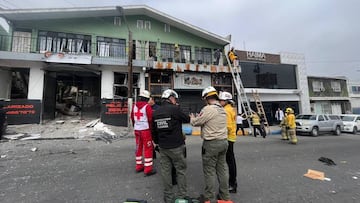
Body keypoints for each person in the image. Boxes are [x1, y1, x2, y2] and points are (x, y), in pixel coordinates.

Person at [190, 86, 231, 203]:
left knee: (209, 171)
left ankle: (208, 198)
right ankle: (225, 197)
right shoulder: (222, 109)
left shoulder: (208, 109)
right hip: (224, 142)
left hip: (211, 143)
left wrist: (192, 118)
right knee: (222, 169)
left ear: (207, 98)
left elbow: (196, 122)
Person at [152, 89, 190, 203]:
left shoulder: (156, 112)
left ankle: (168, 197)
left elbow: (154, 131)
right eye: (175, 99)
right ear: (171, 98)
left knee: (166, 172)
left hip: (163, 147)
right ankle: (182, 196)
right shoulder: (175, 109)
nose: (176, 101)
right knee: (181, 171)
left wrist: (158, 143)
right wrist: (177, 108)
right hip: (177, 146)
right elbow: (187, 119)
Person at [130, 90, 156, 176]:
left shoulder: (134, 106)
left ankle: (139, 166)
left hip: (137, 129)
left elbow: (132, 118)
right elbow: (150, 119)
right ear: (147, 98)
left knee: (138, 147)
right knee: (148, 148)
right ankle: (148, 169)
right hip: (145, 130)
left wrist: (136, 126)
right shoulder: (147, 106)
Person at [219, 91, 238, 193]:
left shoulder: (226, 111)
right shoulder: (230, 109)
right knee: (230, 161)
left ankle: (232, 184)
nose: (220, 102)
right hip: (231, 138)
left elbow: (228, 126)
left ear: (227, 101)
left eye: (221, 100)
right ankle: (232, 182)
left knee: (229, 162)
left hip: (228, 138)